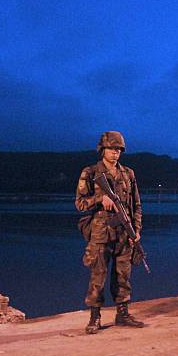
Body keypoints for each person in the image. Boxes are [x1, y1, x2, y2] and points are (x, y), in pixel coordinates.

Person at [75, 131, 145, 334]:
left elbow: (137, 205)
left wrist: (136, 230)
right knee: (98, 276)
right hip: (101, 233)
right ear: (102, 150)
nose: (115, 153)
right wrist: (99, 200)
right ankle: (95, 317)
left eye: (118, 150)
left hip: (124, 233)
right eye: (111, 149)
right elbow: (79, 204)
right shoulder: (90, 172)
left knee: (123, 275)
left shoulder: (128, 174)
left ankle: (122, 313)